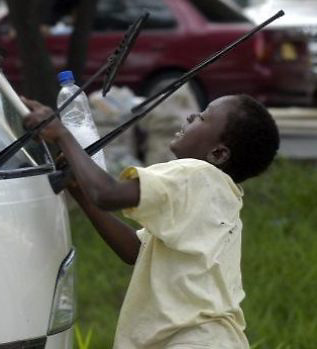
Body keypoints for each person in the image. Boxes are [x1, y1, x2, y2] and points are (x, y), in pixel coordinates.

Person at [21, 94, 280, 348]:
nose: (191, 115)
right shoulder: (219, 195)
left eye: (203, 117)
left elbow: (107, 193)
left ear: (218, 153)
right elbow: (136, 250)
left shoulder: (194, 173)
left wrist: (62, 134)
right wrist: (80, 191)